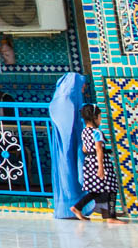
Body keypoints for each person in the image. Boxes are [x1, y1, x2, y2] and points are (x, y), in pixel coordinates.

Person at [74, 104, 127, 222]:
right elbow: (98, 149)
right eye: (100, 117)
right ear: (94, 118)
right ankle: (111, 217)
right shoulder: (97, 132)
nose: (100, 120)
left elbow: (84, 149)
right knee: (112, 188)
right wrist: (101, 168)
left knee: (96, 189)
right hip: (99, 162)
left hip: (89, 162)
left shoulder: (84, 132)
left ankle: (78, 207)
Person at [49, 72, 86, 219]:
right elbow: (67, 128)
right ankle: (70, 206)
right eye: (82, 86)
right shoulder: (65, 100)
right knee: (69, 171)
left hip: (71, 145)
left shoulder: (65, 98)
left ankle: (79, 205)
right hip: (68, 147)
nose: (83, 89)